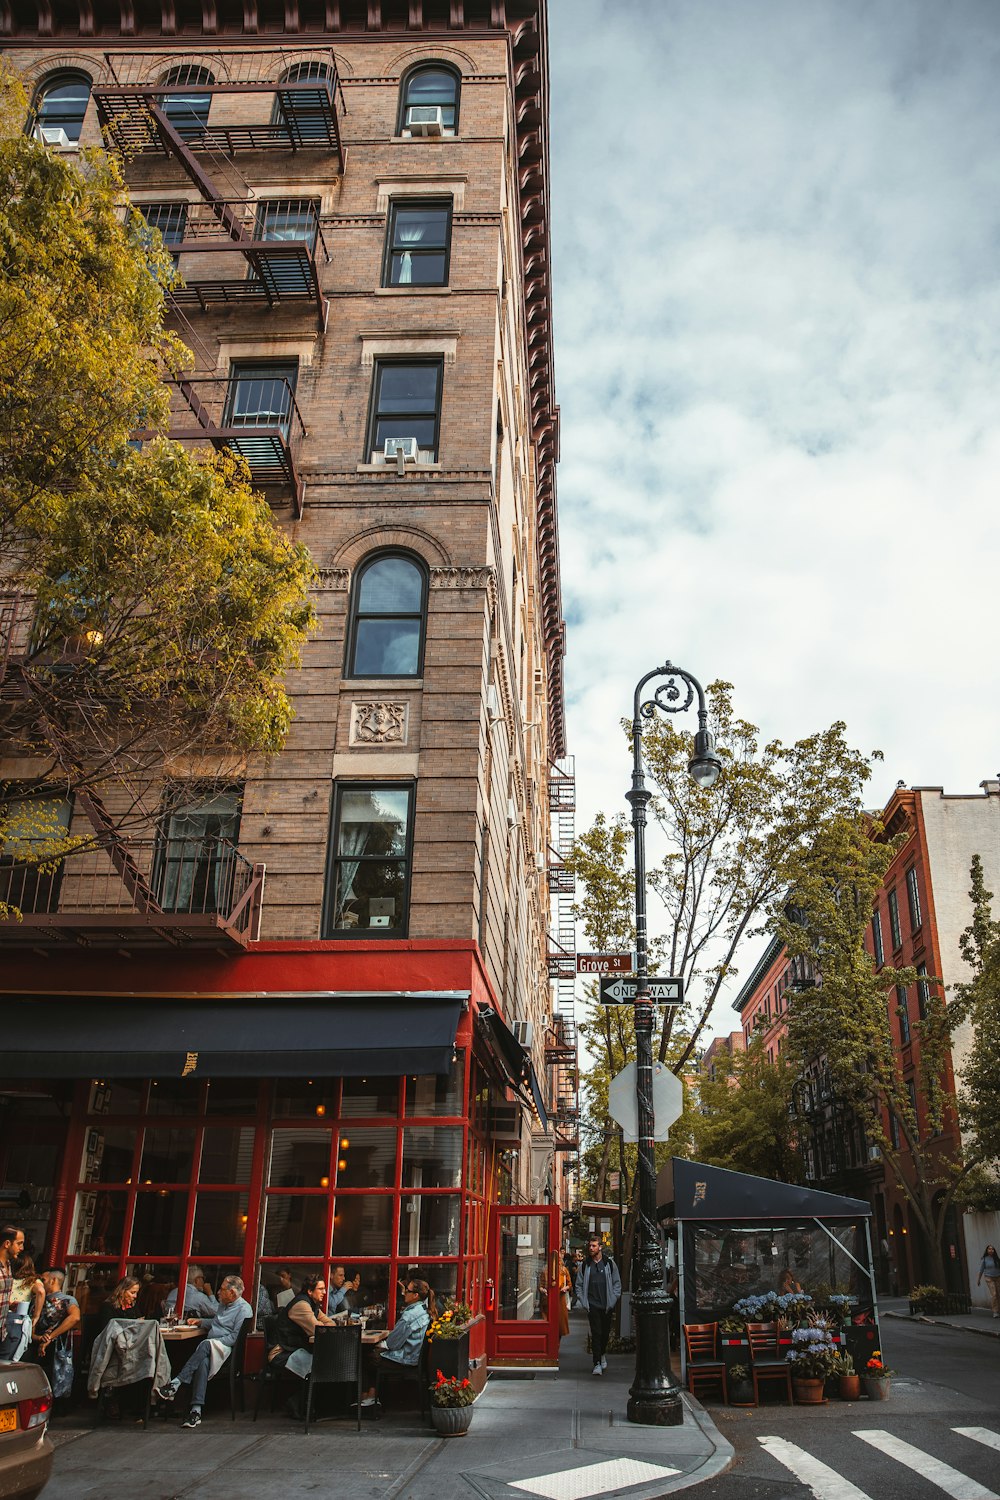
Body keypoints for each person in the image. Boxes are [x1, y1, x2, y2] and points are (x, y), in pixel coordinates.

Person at [156, 1274, 252, 1430]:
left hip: (226, 1350)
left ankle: (176, 1382)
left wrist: (215, 1342)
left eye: (222, 1290)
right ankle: (196, 1411)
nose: (218, 1293)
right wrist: (201, 1321)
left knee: (205, 1344)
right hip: (211, 1348)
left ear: (233, 1293)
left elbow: (234, 1338)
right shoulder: (223, 1304)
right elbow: (216, 1323)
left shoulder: (244, 1309)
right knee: (203, 1363)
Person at [267, 1275, 337, 1418]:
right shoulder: (301, 1305)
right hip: (281, 1353)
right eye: (321, 1289)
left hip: (295, 1349)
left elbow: (330, 1324)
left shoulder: (313, 1304)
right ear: (310, 1291)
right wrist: (323, 1325)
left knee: (325, 1363)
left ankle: (308, 1405)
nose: (324, 1292)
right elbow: (319, 1331)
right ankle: (298, 1404)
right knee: (320, 1365)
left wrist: (323, 1325)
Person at [360, 1278, 434, 1407]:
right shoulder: (423, 1309)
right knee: (373, 1354)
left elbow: (393, 1344)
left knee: (367, 1356)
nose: (404, 1292)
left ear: (415, 1295)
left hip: (407, 1359)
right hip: (415, 1357)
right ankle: (371, 1395)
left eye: (407, 1290)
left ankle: (368, 1398)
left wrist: (382, 1344)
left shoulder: (409, 1316)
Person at [33, 1268, 82, 1405]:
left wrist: (50, 1337)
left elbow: (75, 1317)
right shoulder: (36, 1298)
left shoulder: (67, 1300)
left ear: (53, 1280)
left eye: (43, 1280)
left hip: (55, 1349)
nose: (40, 1283)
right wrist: (38, 1338)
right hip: (33, 1345)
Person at [576, 1235, 621, 1377]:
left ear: (600, 1247)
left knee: (605, 1333)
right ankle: (597, 1363)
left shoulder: (609, 1263)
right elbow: (579, 1285)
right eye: (590, 1245)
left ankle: (601, 1354)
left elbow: (617, 1283)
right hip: (592, 1304)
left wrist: (613, 1299)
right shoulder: (585, 1265)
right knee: (596, 1333)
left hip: (606, 1304)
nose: (591, 1248)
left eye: (594, 1246)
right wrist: (584, 1302)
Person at [0, 1252, 44, 1361]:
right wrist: (36, 1316)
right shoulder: (31, 1281)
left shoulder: (7, 1278)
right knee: (6, 1361)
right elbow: (41, 1291)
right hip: (15, 1319)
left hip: (3, 1315)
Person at [0, 1225, 24, 1334]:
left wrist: (8, 1304)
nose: (22, 1248)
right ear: (7, 1244)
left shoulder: (8, 1265)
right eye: (19, 1243)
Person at [977, 1243, 1000, 1318]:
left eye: (992, 1249)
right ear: (987, 1250)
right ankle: (995, 1311)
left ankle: (998, 1309)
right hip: (989, 1278)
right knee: (994, 1294)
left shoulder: (996, 1258)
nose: (991, 1250)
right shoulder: (984, 1259)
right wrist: (979, 1279)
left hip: (998, 1277)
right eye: (989, 1249)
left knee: (998, 1294)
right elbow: (981, 1270)